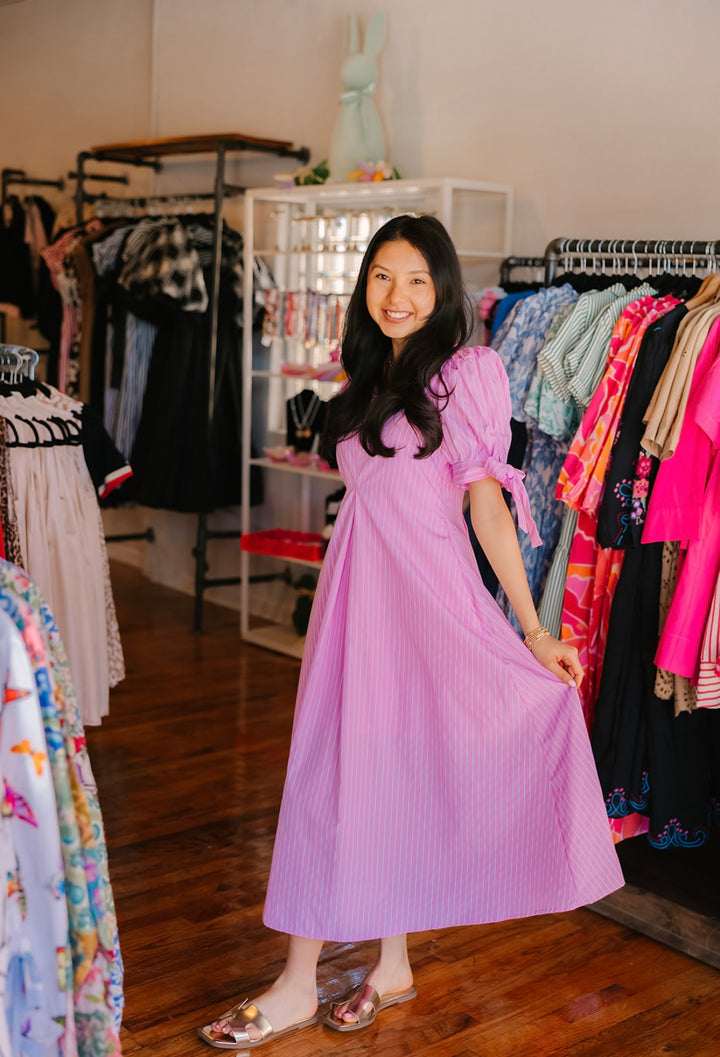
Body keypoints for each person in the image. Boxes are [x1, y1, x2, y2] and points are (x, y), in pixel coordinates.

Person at [198, 214, 624, 1049]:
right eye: (384, 277)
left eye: (419, 280)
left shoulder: (468, 372)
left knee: (363, 773)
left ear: (444, 292)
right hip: (357, 599)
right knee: (363, 774)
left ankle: (294, 983)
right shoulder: (363, 377)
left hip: (428, 604)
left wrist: (534, 630)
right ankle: (389, 966)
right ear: (365, 286)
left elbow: (487, 502)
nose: (399, 296)